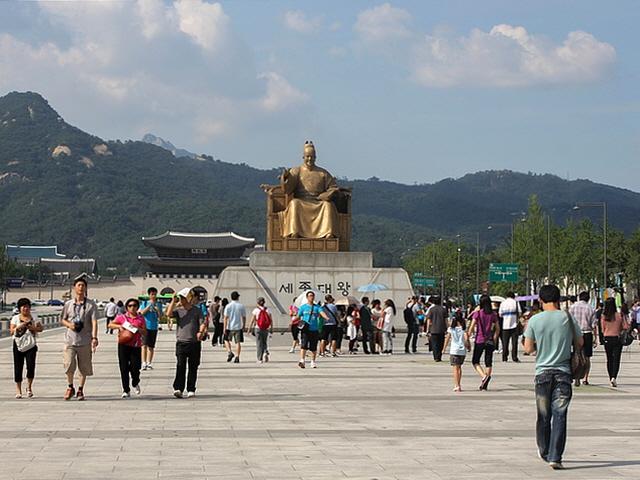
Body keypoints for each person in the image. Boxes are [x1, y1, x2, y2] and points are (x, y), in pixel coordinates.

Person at [524, 284, 583, 470]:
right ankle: (555, 457)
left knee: (543, 416)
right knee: (560, 415)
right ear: (558, 299)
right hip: (563, 373)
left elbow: (528, 349)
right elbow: (580, 342)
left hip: (542, 374)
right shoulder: (567, 317)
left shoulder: (534, 320)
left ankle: (544, 450)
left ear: (540, 300)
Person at [277, 140, 340, 238]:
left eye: (312, 157)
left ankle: (328, 233)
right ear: (303, 157)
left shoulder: (322, 173)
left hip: (318, 202)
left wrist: (329, 193)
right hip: (302, 201)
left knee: (328, 206)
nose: (309, 159)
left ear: (315, 158)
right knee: (294, 203)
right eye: (307, 157)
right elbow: (287, 190)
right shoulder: (296, 171)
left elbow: (333, 187)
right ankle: (294, 232)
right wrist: (285, 178)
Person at [60, 277, 99, 401]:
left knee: (84, 366)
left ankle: (80, 389)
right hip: (70, 339)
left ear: (86, 288)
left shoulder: (91, 305)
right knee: (69, 364)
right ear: (74, 288)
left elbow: (94, 322)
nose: (81, 288)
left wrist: (94, 337)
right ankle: (70, 386)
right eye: (78, 285)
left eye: (83, 285)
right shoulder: (68, 304)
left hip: (85, 340)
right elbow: (62, 319)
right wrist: (69, 325)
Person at [166, 288, 207, 398]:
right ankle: (178, 388)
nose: (182, 300)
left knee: (193, 366)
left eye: (183, 298)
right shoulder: (179, 310)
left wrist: (200, 331)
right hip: (181, 342)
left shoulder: (197, 310)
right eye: (181, 298)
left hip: (194, 342)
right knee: (180, 365)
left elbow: (203, 322)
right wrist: (173, 301)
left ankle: (191, 388)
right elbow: (168, 314)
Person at [108, 298, 146, 398]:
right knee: (124, 368)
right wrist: (119, 327)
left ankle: (135, 381)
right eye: (130, 306)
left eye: (134, 305)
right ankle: (126, 389)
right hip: (123, 345)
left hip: (136, 346)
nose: (132, 308)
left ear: (137, 307)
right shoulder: (122, 317)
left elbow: (145, 331)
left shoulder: (140, 319)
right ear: (126, 307)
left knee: (135, 367)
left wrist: (138, 329)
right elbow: (110, 324)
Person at [10, 298, 43, 398]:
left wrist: (32, 327)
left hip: (31, 345)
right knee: (18, 367)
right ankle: (18, 390)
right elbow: (11, 331)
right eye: (23, 306)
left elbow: (41, 328)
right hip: (18, 345)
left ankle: (29, 387)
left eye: (27, 306)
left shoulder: (34, 317)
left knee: (31, 366)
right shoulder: (15, 318)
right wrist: (20, 326)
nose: (26, 308)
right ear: (19, 308)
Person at [468, 295, 500, 390]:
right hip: (489, 340)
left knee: (475, 361)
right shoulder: (493, 314)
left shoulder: (478, 313)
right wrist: (494, 338)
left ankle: (484, 377)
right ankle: (485, 383)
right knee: (488, 362)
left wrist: (467, 337)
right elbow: (498, 328)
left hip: (479, 340)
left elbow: (471, 326)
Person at [568, 291, 598, 386]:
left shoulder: (572, 307)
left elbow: (568, 321)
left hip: (575, 334)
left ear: (579, 298)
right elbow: (594, 325)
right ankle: (585, 378)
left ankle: (576, 376)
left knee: (575, 355)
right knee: (587, 357)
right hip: (587, 333)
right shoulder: (591, 308)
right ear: (588, 299)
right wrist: (595, 338)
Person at [600, 297, 630, 388]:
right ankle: (614, 377)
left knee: (609, 359)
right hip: (617, 339)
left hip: (607, 339)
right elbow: (626, 326)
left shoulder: (604, 316)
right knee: (616, 359)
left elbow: (602, 329)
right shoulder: (619, 315)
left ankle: (610, 377)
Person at [297, 290, 329, 368]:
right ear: (307, 297)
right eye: (310, 296)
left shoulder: (317, 307)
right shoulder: (303, 307)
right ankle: (302, 360)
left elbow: (322, 313)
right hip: (305, 329)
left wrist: (326, 317)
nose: (312, 297)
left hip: (314, 329)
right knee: (304, 345)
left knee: (313, 347)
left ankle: (313, 361)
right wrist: (293, 321)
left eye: (313, 296)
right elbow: (298, 316)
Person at [443, 311, 470, 392]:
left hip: (454, 350)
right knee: (459, 367)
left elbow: (447, 338)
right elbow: (466, 339)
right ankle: (459, 384)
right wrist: (468, 347)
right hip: (462, 351)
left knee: (455, 368)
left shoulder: (451, 329)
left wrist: (443, 349)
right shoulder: (463, 329)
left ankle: (457, 385)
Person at [139, 287, 163, 370]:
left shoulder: (158, 304)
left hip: (154, 327)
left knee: (151, 346)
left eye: (155, 294)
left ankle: (149, 362)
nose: (153, 296)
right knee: (144, 345)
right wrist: (149, 306)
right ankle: (143, 362)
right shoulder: (145, 303)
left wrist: (157, 310)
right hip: (145, 327)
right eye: (152, 294)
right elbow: (141, 313)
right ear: (149, 295)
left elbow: (160, 316)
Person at [247, 297, 273, 364]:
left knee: (259, 344)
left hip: (258, 328)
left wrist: (249, 329)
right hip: (266, 329)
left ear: (257, 303)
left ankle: (259, 359)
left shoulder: (256, 310)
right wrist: (271, 329)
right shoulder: (268, 310)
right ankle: (265, 352)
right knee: (264, 342)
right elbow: (271, 320)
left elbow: (252, 320)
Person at [223, 291, 246, 363]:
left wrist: (224, 327)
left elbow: (225, 317)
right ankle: (237, 357)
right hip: (238, 326)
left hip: (229, 327)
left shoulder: (228, 306)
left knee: (226, 340)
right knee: (238, 342)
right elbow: (244, 317)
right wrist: (244, 325)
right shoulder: (241, 306)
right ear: (238, 297)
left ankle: (230, 352)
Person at [498, 292, 521, 363]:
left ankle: (504, 358)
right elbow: (520, 312)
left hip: (505, 325)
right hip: (514, 325)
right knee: (514, 343)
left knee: (505, 342)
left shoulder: (503, 303)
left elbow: (500, 314)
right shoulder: (516, 303)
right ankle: (514, 357)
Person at [426, 296, 448, 362]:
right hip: (441, 329)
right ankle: (439, 356)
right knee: (441, 344)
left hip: (433, 329)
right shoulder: (443, 309)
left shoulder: (431, 309)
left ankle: (436, 357)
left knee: (435, 344)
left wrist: (427, 329)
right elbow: (446, 320)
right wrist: (447, 328)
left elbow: (429, 320)